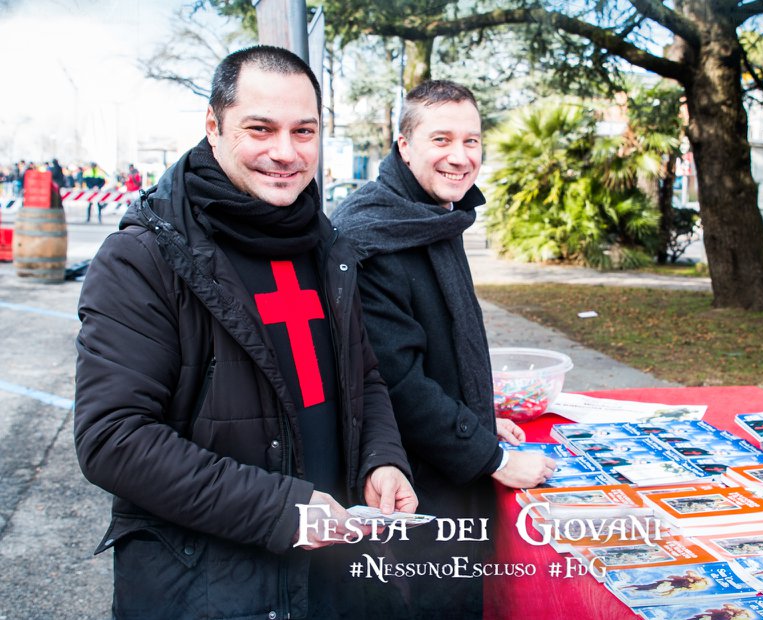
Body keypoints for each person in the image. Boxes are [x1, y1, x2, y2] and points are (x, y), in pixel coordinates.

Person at [74, 45, 417, 620]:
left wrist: (381, 459)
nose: (285, 152)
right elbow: (113, 439)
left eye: (303, 131)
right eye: (260, 129)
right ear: (213, 126)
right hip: (208, 586)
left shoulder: (327, 246)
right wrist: (282, 510)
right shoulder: (143, 257)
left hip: (335, 568)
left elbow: (364, 377)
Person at [332, 80, 556, 618]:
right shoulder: (372, 232)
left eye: (471, 140)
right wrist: (493, 457)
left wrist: (479, 413)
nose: (460, 157)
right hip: (411, 483)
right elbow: (397, 383)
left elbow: (443, 340)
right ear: (404, 145)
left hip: (445, 458)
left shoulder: (430, 210)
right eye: (442, 139)